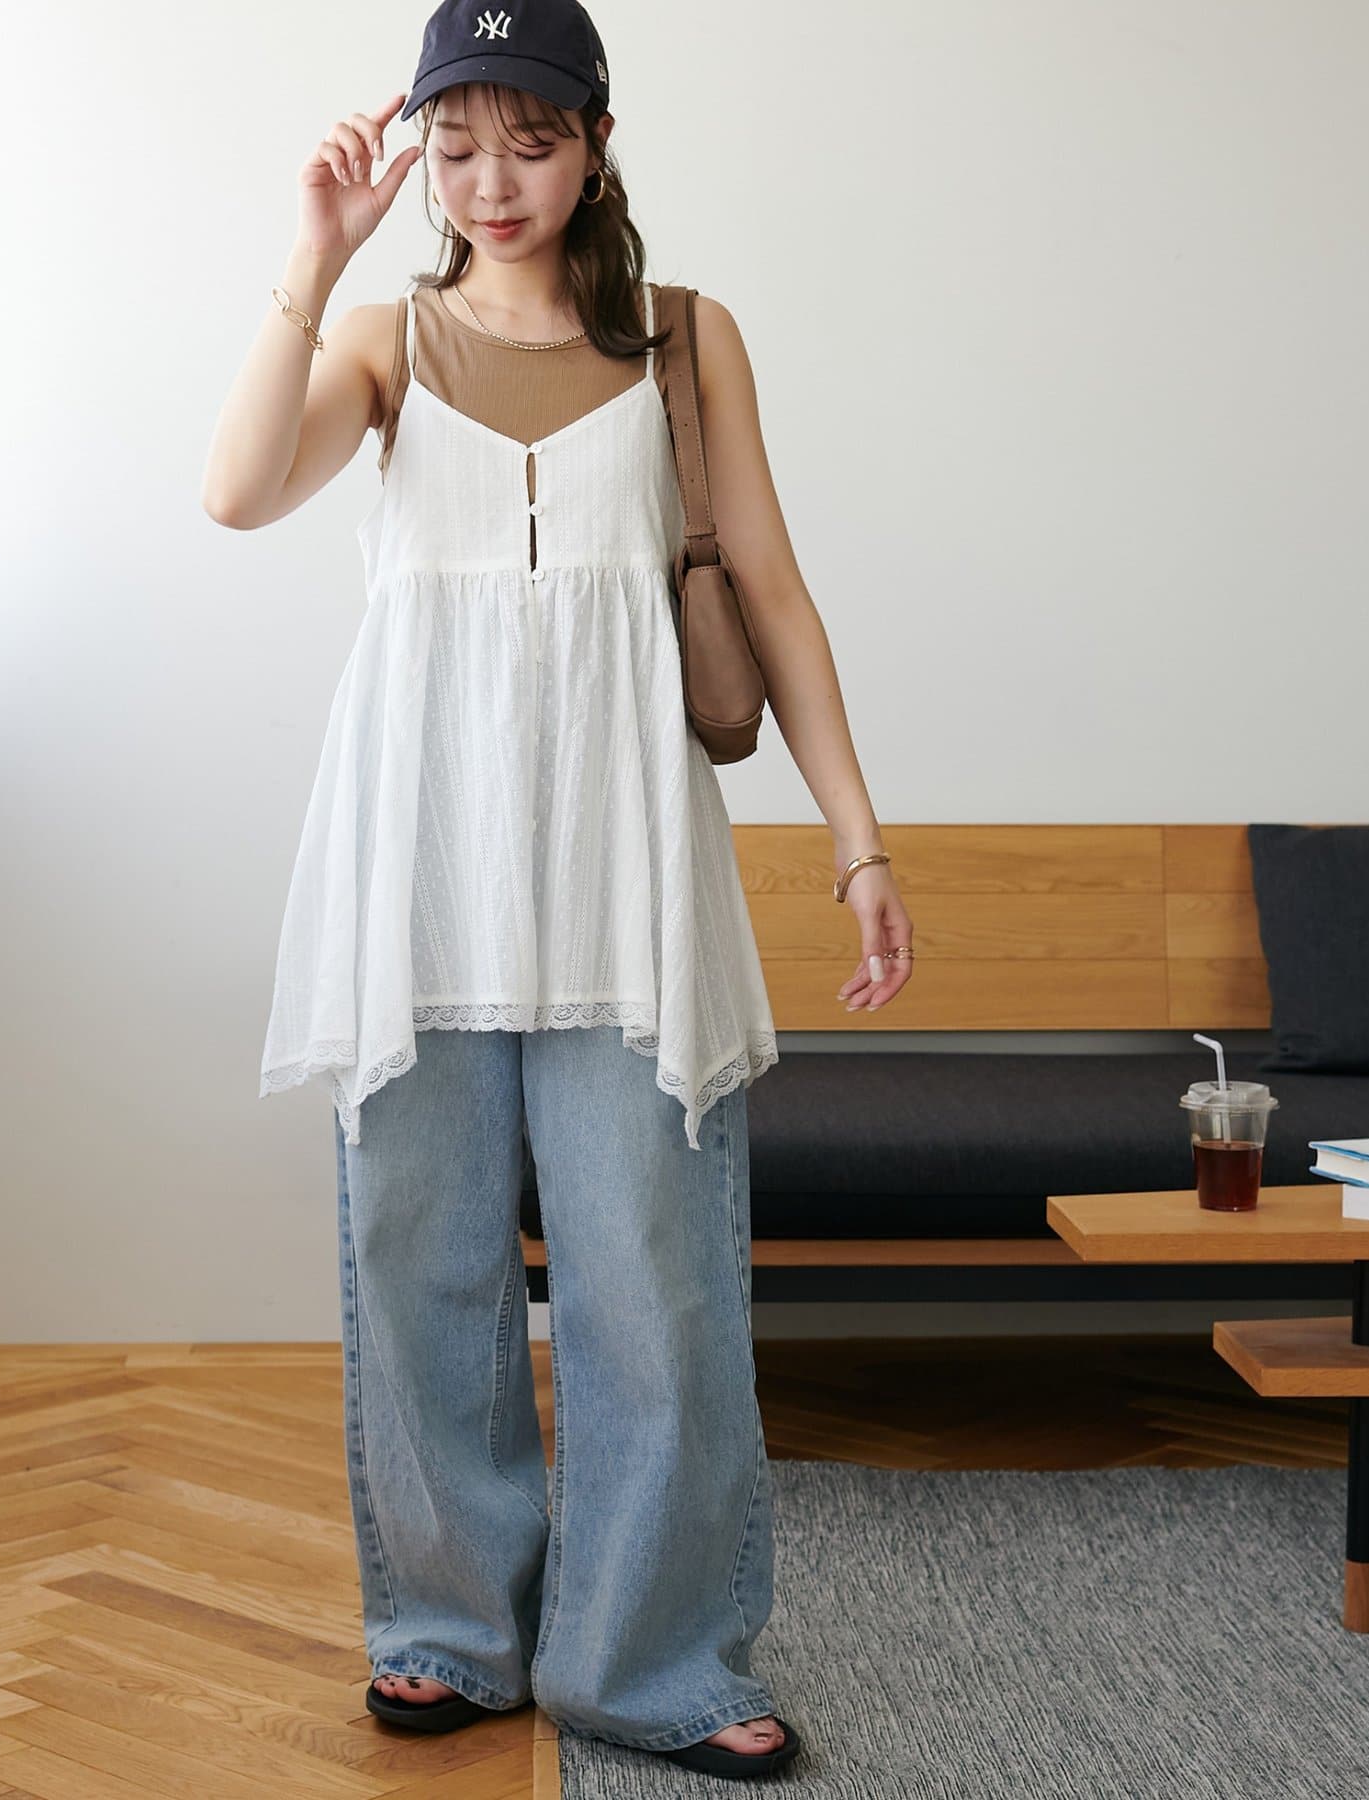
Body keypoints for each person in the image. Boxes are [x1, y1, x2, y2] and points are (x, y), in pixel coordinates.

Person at [203, 0, 914, 1779]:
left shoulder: (685, 341)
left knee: (655, 1291)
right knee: (420, 1276)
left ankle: (656, 1660)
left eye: (529, 143)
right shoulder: (385, 341)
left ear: (596, 142)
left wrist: (858, 836)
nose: (491, 183)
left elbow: (775, 591)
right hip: (420, 887)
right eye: (456, 148)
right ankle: (448, 1635)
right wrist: (314, 256)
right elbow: (233, 493)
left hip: (626, 892)